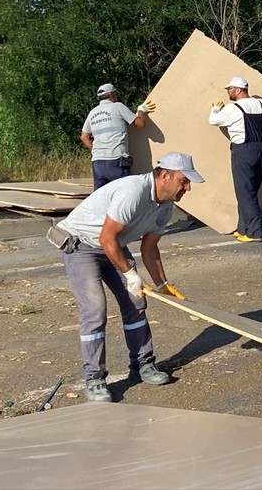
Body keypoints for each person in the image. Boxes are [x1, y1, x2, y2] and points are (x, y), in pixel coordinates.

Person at [47, 152, 203, 403]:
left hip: (112, 244)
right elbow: (105, 238)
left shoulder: (165, 205)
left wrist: (163, 284)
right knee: (95, 308)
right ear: (165, 176)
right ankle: (95, 378)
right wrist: (130, 275)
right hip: (81, 244)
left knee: (136, 302)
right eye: (184, 181)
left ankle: (143, 365)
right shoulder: (133, 192)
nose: (188, 187)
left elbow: (149, 247)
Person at [208, 76, 262, 242]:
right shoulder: (261, 104)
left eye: (230, 89)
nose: (228, 92)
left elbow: (213, 121)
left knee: (245, 192)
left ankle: (254, 232)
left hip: (243, 151)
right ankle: (243, 228)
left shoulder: (232, 108)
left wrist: (214, 109)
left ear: (238, 89)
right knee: (250, 191)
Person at [81, 83, 154, 190]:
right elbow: (140, 124)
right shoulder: (118, 107)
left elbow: (84, 136)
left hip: (98, 163)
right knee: (124, 194)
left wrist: (95, 149)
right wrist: (141, 110)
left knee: (101, 197)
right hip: (116, 161)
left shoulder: (92, 113)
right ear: (112, 95)